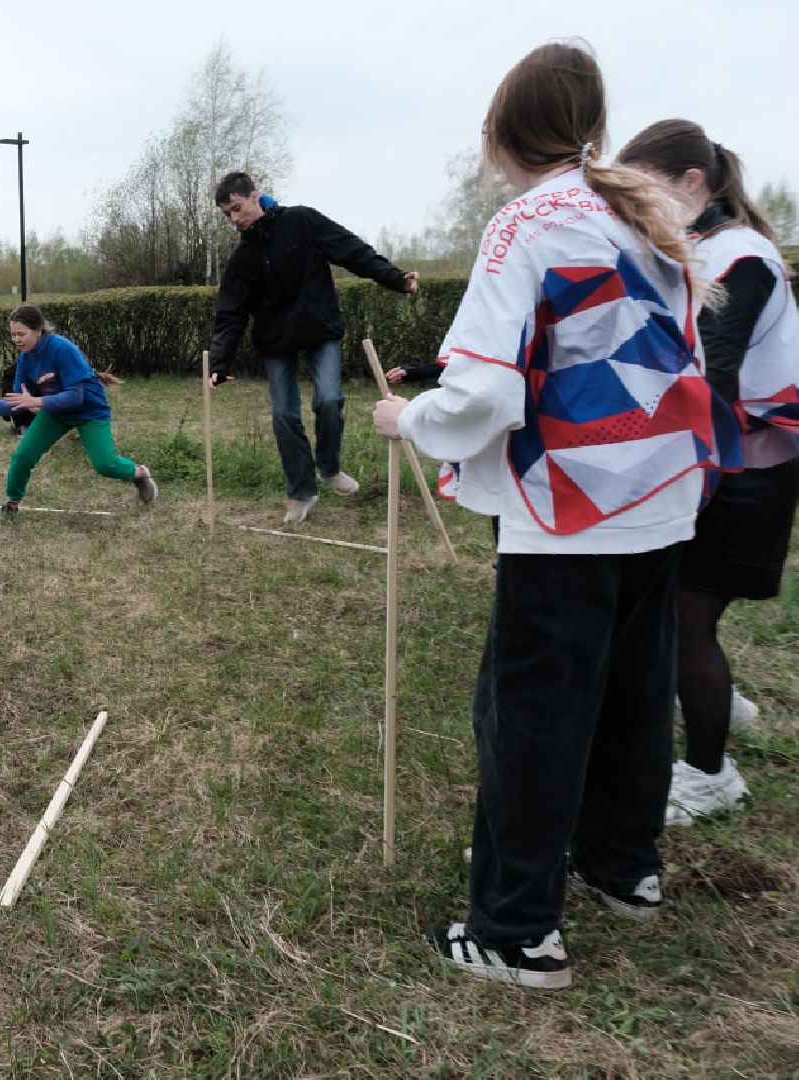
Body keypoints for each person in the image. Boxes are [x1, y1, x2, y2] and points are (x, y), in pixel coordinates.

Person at [371, 42, 739, 990]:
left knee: (532, 712)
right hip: (660, 499)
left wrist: (409, 417)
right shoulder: (637, 212)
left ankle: (514, 931)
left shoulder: (524, 226)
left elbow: (483, 395)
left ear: (499, 133)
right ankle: (625, 868)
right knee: (628, 693)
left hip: (569, 511)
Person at [617, 120, 799, 826]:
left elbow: (714, 370)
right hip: (727, 456)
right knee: (680, 609)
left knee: (684, 618)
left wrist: (674, 465)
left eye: (648, 193)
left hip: (746, 463)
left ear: (692, 183)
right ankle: (713, 699)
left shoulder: (739, 254)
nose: (640, 210)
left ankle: (707, 773)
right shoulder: (701, 247)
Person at [208, 172, 419, 523]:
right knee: (284, 415)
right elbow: (230, 312)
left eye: (237, 208)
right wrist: (220, 361)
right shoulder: (242, 257)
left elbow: (351, 250)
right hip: (276, 340)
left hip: (320, 328)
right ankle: (301, 491)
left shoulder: (302, 221)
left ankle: (330, 467)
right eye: (226, 214)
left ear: (255, 196)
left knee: (329, 399)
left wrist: (394, 278)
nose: (234, 218)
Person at [0, 304, 157, 515]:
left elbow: (76, 397)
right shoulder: (25, 359)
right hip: (56, 412)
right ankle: (12, 504)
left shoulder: (62, 349)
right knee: (23, 455)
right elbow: (20, 400)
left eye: (21, 334)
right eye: (13, 335)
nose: (16, 340)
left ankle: (139, 473)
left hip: (89, 411)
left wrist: (37, 402)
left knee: (105, 465)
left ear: (38, 330)